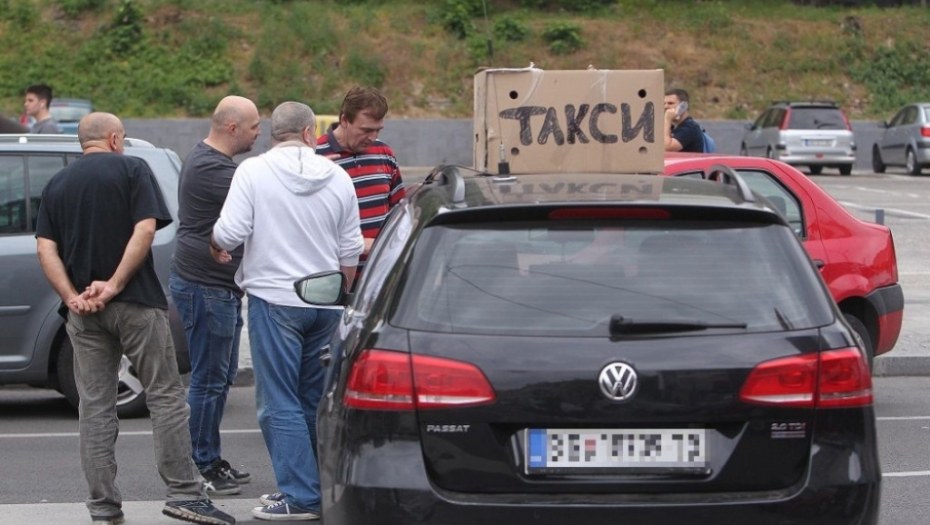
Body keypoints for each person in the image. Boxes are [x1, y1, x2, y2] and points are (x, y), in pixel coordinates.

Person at [35, 112, 235, 525]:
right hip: (137, 303)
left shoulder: (57, 184)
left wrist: (73, 296)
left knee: (95, 409)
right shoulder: (131, 168)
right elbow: (145, 229)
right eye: (122, 138)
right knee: (164, 397)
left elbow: (45, 248)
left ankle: (104, 509)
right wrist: (113, 284)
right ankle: (184, 494)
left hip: (85, 315)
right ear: (113, 139)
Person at [211, 101, 364, 521]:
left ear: (273, 133)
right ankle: (320, 488)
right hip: (325, 303)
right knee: (314, 400)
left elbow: (230, 232)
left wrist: (215, 242)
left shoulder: (253, 172)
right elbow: (351, 246)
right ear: (312, 133)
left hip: (275, 300)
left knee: (279, 402)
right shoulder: (337, 176)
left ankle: (299, 497)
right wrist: (340, 288)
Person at [169, 96, 261, 496]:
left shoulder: (213, 162)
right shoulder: (214, 168)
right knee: (208, 381)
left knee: (219, 378)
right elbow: (261, 204)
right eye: (256, 126)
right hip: (205, 287)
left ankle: (209, 455)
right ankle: (201, 465)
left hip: (215, 285)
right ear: (233, 128)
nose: (261, 133)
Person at [316, 86, 405, 271]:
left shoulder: (385, 153)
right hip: (329, 278)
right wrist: (357, 244)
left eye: (378, 130)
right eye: (365, 130)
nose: (372, 137)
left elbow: (400, 213)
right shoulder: (315, 157)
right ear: (344, 120)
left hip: (378, 276)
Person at [663, 88, 705, 153]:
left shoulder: (689, 127)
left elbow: (667, 148)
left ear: (684, 106)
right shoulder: (672, 127)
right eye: (664, 103)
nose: (666, 107)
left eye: (670, 103)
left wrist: (667, 120)